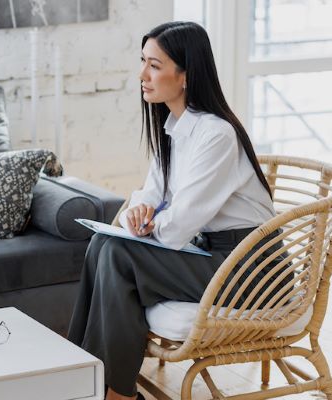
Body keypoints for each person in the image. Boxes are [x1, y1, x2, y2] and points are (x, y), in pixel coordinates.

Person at [67, 22, 290, 400]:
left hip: (253, 272)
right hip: (212, 256)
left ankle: (116, 394)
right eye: (143, 62)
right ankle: (83, 379)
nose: (142, 75)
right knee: (102, 246)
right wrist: (139, 212)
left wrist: (146, 225)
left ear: (185, 75)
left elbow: (175, 229)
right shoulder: (173, 130)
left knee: (119, 255)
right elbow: (149, 194)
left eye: (154, 65)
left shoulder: (217, 135)